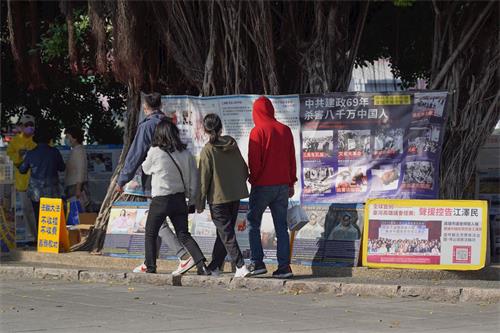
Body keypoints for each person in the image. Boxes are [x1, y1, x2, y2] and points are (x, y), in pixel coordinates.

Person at [115, 93, 193, 275]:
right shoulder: (169, 124)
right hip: (175, 180)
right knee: (159, 222)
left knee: (157, 221)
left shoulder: (147, 126)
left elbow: (135, 155)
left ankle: (182, 256)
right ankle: (149, 261)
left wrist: (122, 180)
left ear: (145, 107)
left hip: (154, 180)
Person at [141, 118, 210, 275]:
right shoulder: (186, 153)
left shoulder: (155, 151)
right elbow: (193, 180)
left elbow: (145, 168)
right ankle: (202, 266)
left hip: (160, 200)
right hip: (179, 199)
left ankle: (151, 268)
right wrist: (192, 200)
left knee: (151, 233)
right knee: (183, 234)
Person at [247, 96, 297, 279]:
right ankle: (284, 267)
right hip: (283, 186)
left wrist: (254, 179)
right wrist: (291, 182)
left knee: (253, 224)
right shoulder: (285, 130)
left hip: (262, 186)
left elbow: (254, 162)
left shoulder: (257, 131)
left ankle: (258, 263)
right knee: (281, 227)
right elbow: (292, 159)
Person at [196, 114, 251, 278]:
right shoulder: (231, 144)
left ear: (205, 129)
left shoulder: (208, 150)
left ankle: (241, 265)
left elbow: (203, 179)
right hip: (235, 196)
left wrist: (199, 202)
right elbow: (243, 169)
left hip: (218, 198)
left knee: (226, 233)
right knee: (224, 232)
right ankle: (214, 266)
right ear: (221, 127)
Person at [18, 127, 65, 233]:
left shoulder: (30, 153)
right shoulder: (54, 152)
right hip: (52, 190)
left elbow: (22, 170)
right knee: (52, 218)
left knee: (39, 216)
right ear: (49, 138)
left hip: (36, 191)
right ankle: (52, 241)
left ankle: (41, 241)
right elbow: (62, 168)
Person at [6, 114, 37, 241]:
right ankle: (33, 237)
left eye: (31, 125)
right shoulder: (15, 141)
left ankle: (41, 236)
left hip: (37, 182)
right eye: (26, 125)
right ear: (21, 126)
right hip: (22, 181)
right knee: (26, 209)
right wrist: (18, 157)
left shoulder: (38, 140)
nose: (29, 128)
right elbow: (10, 156)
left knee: (37, 210)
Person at [64, 127, 91, 212]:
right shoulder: (74, 150)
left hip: (76, 186)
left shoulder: (79, 151)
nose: (66, 139)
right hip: (73, 185)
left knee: (77, 213)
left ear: (75, 138)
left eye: (68, 137)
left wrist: (78, 189)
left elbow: (80, 170)